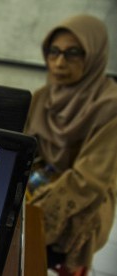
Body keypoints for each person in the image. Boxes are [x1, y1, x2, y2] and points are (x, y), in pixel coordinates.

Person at [25, 14, 117, 275]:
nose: (59, 62)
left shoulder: (110, 106)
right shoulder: (43, 97)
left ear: (93, 55)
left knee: (33, 237)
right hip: (42, 180)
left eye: (72, 53)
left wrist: (33, 218)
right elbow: (25, 150)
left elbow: (89, 180)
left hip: (85, 192)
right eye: (54, 52)